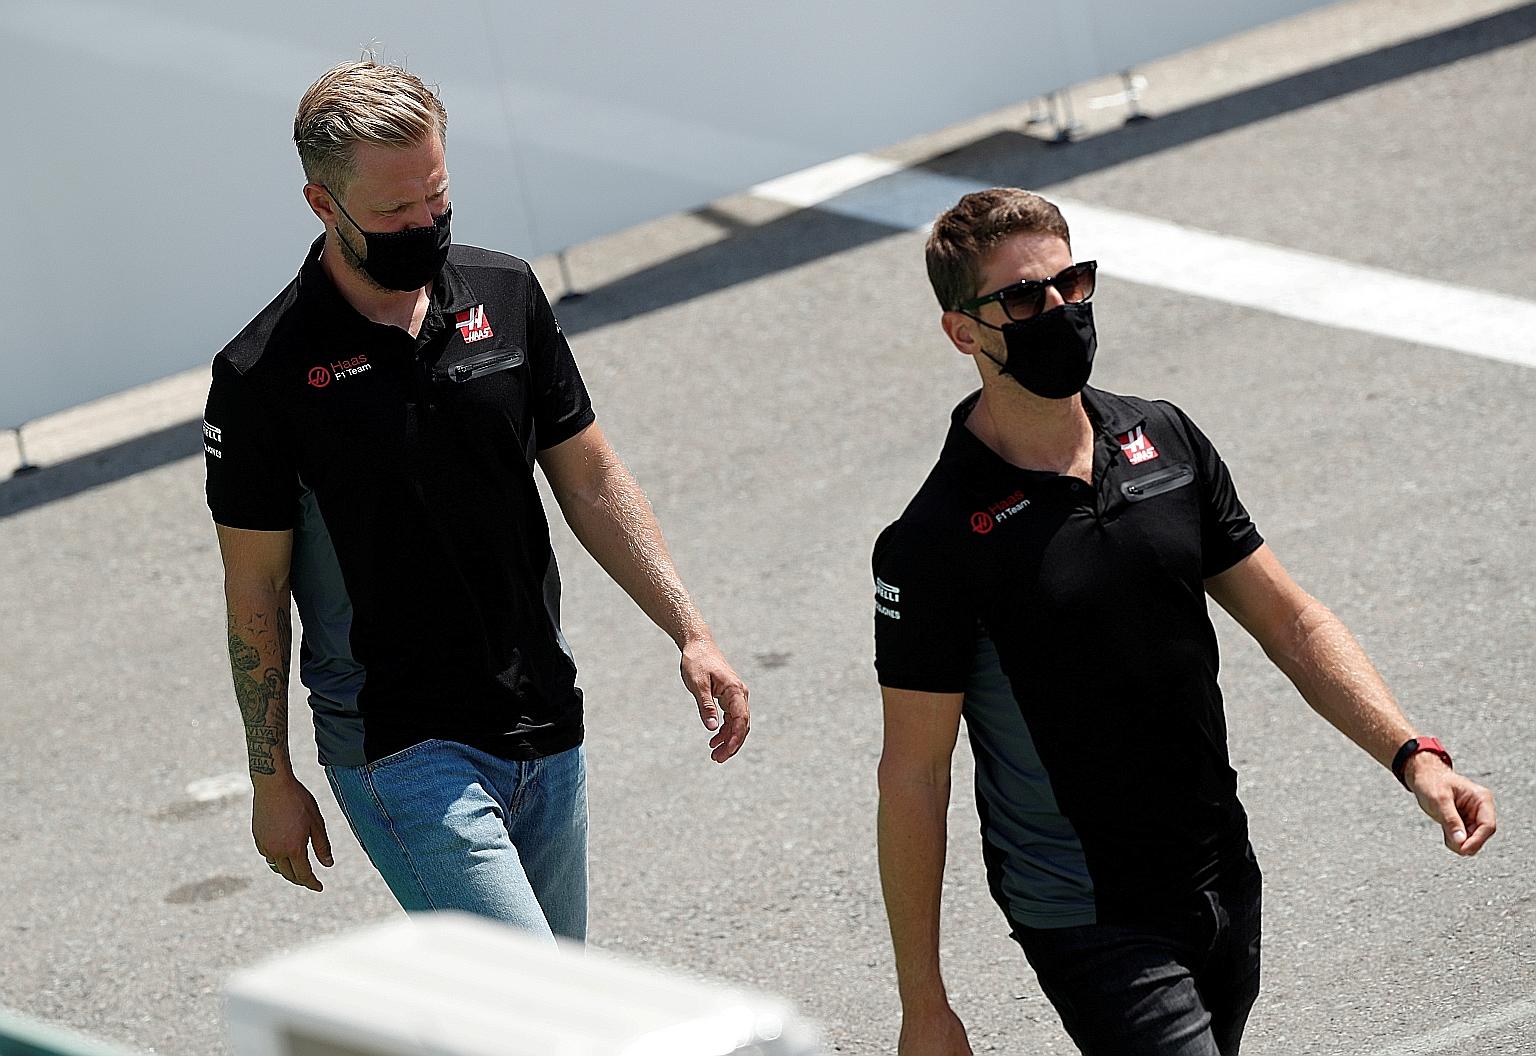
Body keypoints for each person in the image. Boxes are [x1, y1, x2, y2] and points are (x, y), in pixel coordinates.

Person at [872, 188, 1497, 1055]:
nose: (1060, 310)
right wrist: (924, 1004)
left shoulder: (1162, 439)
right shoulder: (935, 540)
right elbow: (914, 775)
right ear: (963, 331)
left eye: (1073, 283)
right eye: (1024, 297)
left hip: (1220, 872)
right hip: (1085, 908)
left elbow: (1292, 623)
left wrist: (1411, 754)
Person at [203, 60, 749, 944]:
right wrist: (272, 777)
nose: (425, 224)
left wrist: (690, 629)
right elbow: (254, 593)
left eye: (436, 196)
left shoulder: (505, 292)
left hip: (545, 717)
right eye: (393, 212)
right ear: (320, 204)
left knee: (548, 1004)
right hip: (401, 748)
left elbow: (592, 480)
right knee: (540, 1014)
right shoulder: (261, 376)